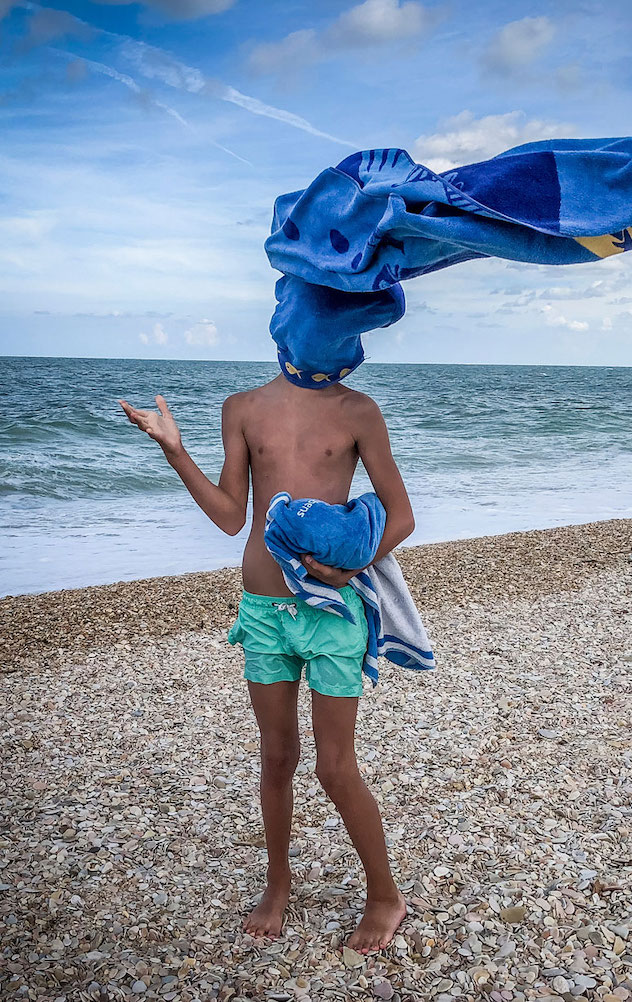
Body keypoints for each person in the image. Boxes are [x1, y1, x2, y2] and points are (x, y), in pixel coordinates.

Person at [118, 374, 414, 954]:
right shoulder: (243, 408)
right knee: (277, 755)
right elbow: (232, 516)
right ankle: (277, 883)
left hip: (332, 612)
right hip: (262, 612)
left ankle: (385, 895)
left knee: (334, 767)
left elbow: (400, 517)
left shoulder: (359, 410)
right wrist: (174, 450)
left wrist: (350, 569)